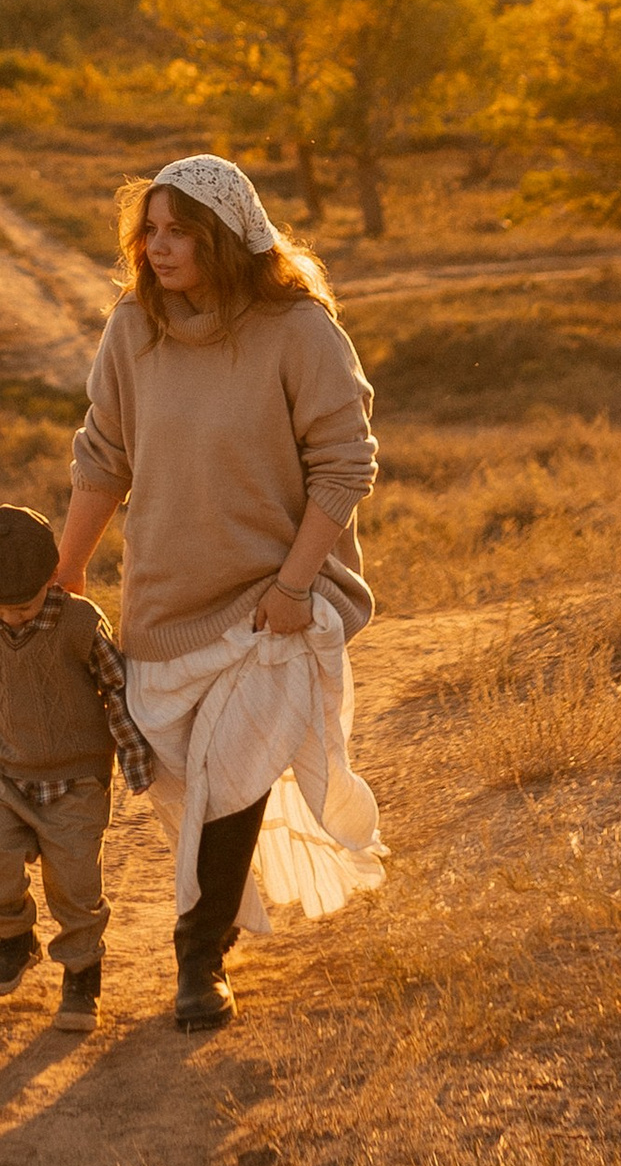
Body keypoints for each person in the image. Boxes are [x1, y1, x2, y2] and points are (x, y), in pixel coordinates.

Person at [52, 154, 385, 1033]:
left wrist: (293, 583)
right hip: (164, 604)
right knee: (173, 776)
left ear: (227, 238)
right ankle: (214, 929)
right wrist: (66, 570)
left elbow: (346, 465)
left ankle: (199, 962)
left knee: (231, 776)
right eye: (148, 232)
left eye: (178, 233)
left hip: (271, 603)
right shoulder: (136, 329)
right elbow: (104, 456)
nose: (158, 249)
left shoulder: (299, 331)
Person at [0, 502, 154, 1033]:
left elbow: (117, 688)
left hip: (76, 781)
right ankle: (14, 939)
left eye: (25, 604)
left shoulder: (80, 623)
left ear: (51, 578)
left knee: (75, 886)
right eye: (0, 608)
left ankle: (82, 974)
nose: (13, 615)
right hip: (10, 776)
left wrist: (133, 755)